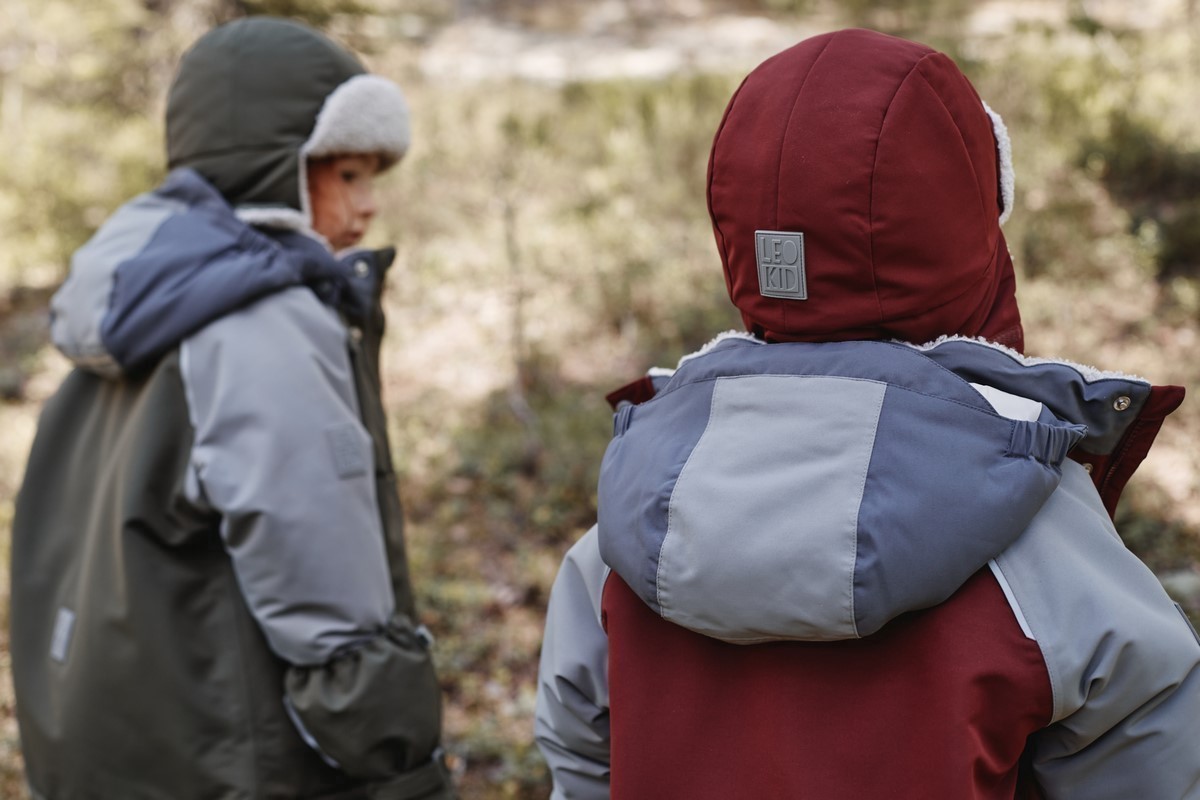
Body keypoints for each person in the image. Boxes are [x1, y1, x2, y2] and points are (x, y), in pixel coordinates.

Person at [535, 28, 1200, 799]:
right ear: (969, 232)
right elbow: (1152, 766)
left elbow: (581, 762)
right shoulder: (1039, 537)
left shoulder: (629, 525)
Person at [10, 17, 455, 800]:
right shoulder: (263, 320)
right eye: (349, 174)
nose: (368, 205)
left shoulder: (139, 301)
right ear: (273, 169)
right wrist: (398, 759)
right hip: (245, 760)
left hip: (125, 745)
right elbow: (320, 576)